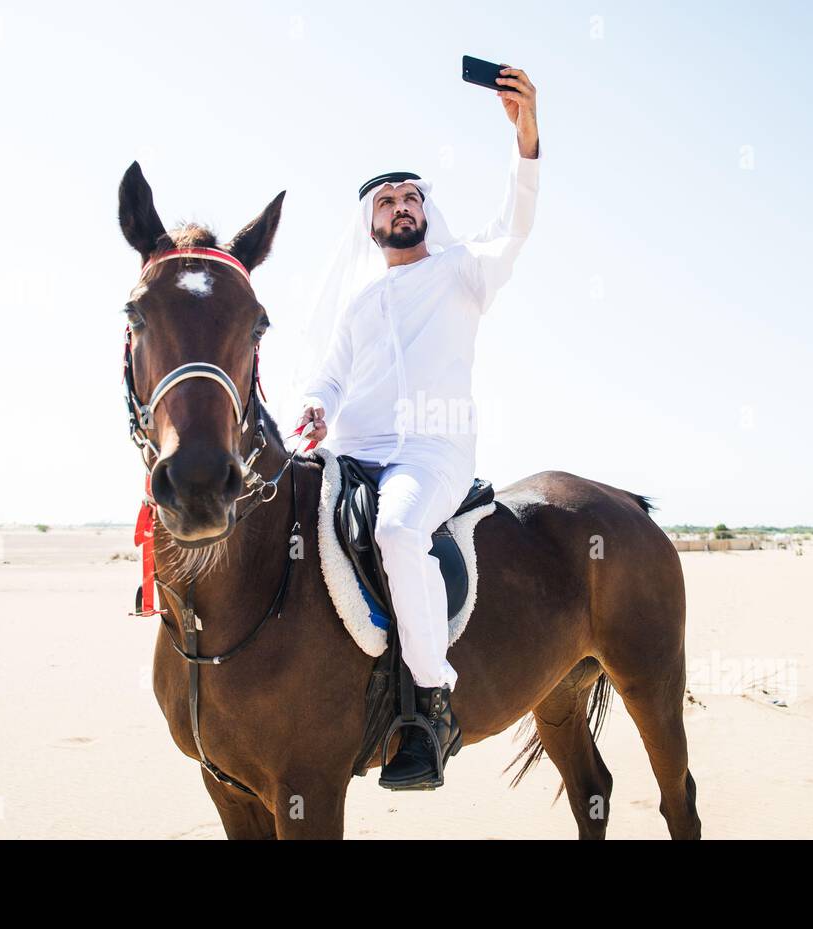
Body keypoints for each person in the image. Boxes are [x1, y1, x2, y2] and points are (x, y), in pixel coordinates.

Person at [295, 66, 541, 789]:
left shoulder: (464, 273)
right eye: (387, 201)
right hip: (352, 452)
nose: (400, 207)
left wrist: (525, 135)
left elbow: (517, 223)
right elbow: (330, 377)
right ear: (370, 222)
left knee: (399, 532)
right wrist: (314, 403)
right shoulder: (359, 301)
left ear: (425, 209)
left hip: (431, 456)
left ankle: (432, 701)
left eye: (410, 197)